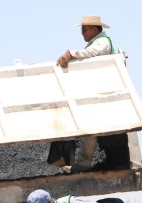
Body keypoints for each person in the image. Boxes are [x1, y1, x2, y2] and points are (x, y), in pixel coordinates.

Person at [49, 15, 129, 173]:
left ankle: (85, 163)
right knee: (93, 128)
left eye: (84, 30)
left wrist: (71, 54)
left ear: (94, 29)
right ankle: (85, 162)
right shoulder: (99, 42)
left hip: (106, 94)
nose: (82, 33)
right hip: (101, 93)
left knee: (96, 128)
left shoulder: (102, 42)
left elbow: (92, 53)